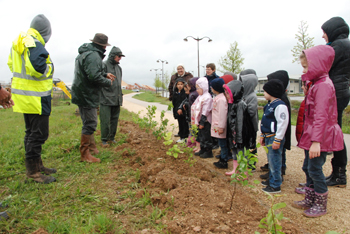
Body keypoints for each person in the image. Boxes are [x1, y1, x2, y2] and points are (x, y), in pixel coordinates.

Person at [293, 45, 343, 217]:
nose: (305, 71)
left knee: (314, 168)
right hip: (313, 134)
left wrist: (316, 142)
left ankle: (320, 203)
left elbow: (321, 116)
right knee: (308, 167)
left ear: (318, 65)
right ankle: (310, 197)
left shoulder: (323, 86)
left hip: (320, 137)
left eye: (307, 67)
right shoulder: (316, 84)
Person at [8, 14, 56, 184]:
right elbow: (38, 68)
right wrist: (51, 68)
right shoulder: (34, 43)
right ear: (45, 32)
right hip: (37, 98)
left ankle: (36, 165)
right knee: (39, 134)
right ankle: (34, 172)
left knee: (31, 133)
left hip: (25, 97)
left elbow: (11, 64)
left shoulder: (20, 41)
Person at [72, 33, 116, 163]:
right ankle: (85, 154)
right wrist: (107, 82)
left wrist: (104, 74)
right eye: (105, 46)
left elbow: (92, 71)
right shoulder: (93, 56)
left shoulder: (87, 53)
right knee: (90, 123)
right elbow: (93, 77)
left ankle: (91, 147)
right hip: (86, 94)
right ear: (102, 45)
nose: (105, 49)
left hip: (82, 92)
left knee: (88, 122)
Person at [321, 17, 350, 188]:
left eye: (324, 32)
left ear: (332, 29)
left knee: (334, 133)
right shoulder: (344, 44)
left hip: (335, 93)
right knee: (335, 131)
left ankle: (340, 174)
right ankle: (338, 173)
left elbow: (323, 64)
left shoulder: (338, 45)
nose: (323, 36)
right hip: (341, 90)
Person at [259, 79, 289, 193]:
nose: (263, 94)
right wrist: (262, 135)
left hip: (274, 137)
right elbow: (264, 121)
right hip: (268, 136)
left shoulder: (280, 106)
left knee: (275, 161)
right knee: (270, 160)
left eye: (265, 91)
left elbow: (282, 124)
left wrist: (278, 139)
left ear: (271, 92)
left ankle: (275, 185)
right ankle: (271, 179)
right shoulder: (269, 105)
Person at [224, 80, 254, 176]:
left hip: (239, 135)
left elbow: (240, 122)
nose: (226, 95)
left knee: (241, 154)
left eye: (228, 93)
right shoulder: (232, 104)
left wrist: (239, 138)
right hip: (234, 134)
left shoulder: (240, 104)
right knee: (235, 153)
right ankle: (235, 169)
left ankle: (243, 172)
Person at [100, 46, 125, 147]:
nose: (120, 58)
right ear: (113, 55)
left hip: (116, 98)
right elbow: (99, 78)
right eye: (118, 56)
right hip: (105, 98)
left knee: (114, 120)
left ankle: (111, 138)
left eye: (121, 56)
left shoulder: (119, 68)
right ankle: (104, 139)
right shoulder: (104, 64)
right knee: (105, 120)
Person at [294, 81, 312, 195]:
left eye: (304, 85)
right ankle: (308, 184)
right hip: (306, 137)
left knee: (311, 167)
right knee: (307, 165)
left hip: (310, 138)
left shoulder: (311, 102)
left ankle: (311, 187)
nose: (302, 87)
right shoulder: (306, 100)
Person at [191, 77, 213, 158]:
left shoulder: (207, 97)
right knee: (201, 136)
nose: (197, 90)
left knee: (206, 136)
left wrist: (202, 122)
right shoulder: (200, 96)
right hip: (200, 120)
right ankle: (202, 149)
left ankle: (208, 152)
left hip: (205, 121)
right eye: (196, 88)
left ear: (204, 87)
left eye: (198, 88)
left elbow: (205, 111)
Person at [210, 78, 229, 169]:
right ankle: (222, 157)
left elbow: (222, 114)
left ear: (215, 88)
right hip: (218, 124)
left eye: (212, 87)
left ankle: (224, 161)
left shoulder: (221, 100)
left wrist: (221, 127)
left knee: (223, 144)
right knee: (221, 143)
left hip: (220, 126)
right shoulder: (219, 98)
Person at [172, 78, 189, 143]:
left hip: (184, 111)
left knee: (184, 124)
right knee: (180, 124)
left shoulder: (185, 92)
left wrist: (182, 108)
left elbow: (185, 101)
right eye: (178, 84)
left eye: (181, 84)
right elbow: (174, 102)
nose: (180, 86)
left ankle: (184, 137)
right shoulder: (175, 92)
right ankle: (181, 136)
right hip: (177, 110)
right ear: (176, 85)